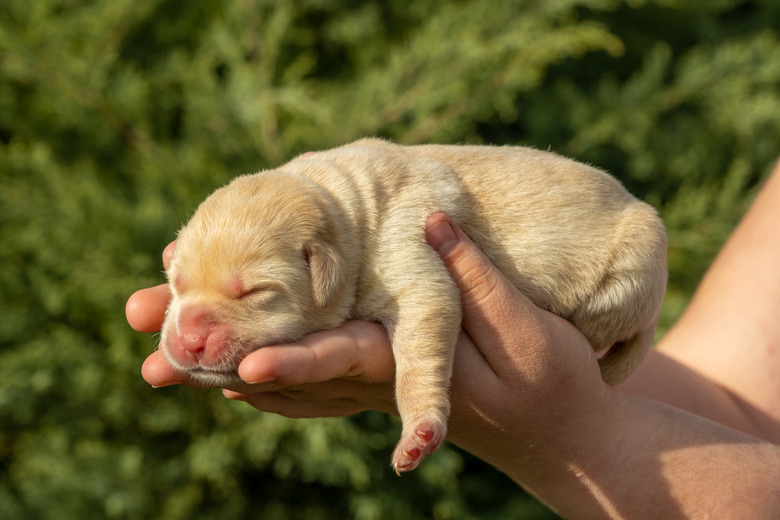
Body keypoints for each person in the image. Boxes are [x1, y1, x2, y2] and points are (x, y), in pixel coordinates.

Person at [126, 161, 780, 518]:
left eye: (251, 293)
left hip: (611, 252)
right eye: (178, 279)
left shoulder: (378, 234)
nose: (189, 323)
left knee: (638, 241)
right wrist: (562, 390)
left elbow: (424, 299)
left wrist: (582, 434)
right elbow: (743, 402)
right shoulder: (330, 195)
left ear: (321, 264)